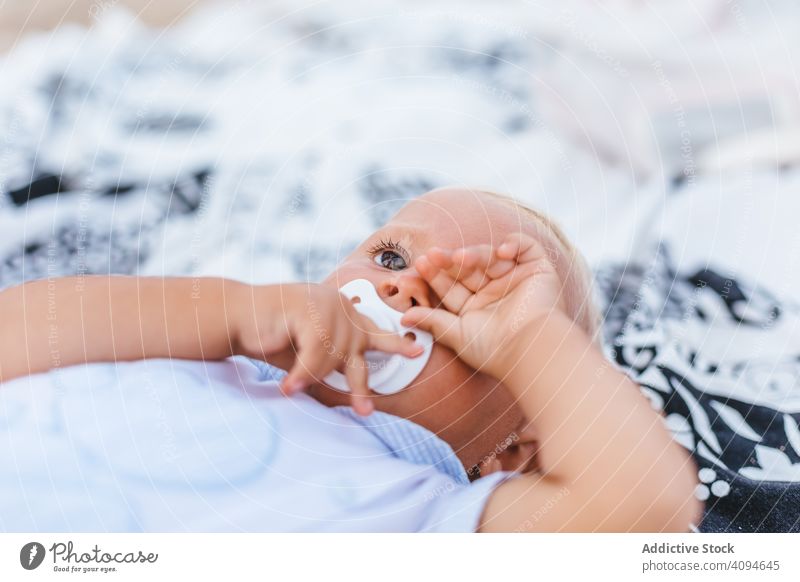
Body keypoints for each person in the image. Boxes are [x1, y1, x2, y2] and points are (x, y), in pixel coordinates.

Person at [0, 187, 701, 532]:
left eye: (460, 307)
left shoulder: (431, 513)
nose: (397, 288)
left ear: (509, 451)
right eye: (391, 256)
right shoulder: (212, 349)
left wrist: (529, 339)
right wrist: (229, 310)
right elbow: (22, 331)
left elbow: (650, 510)